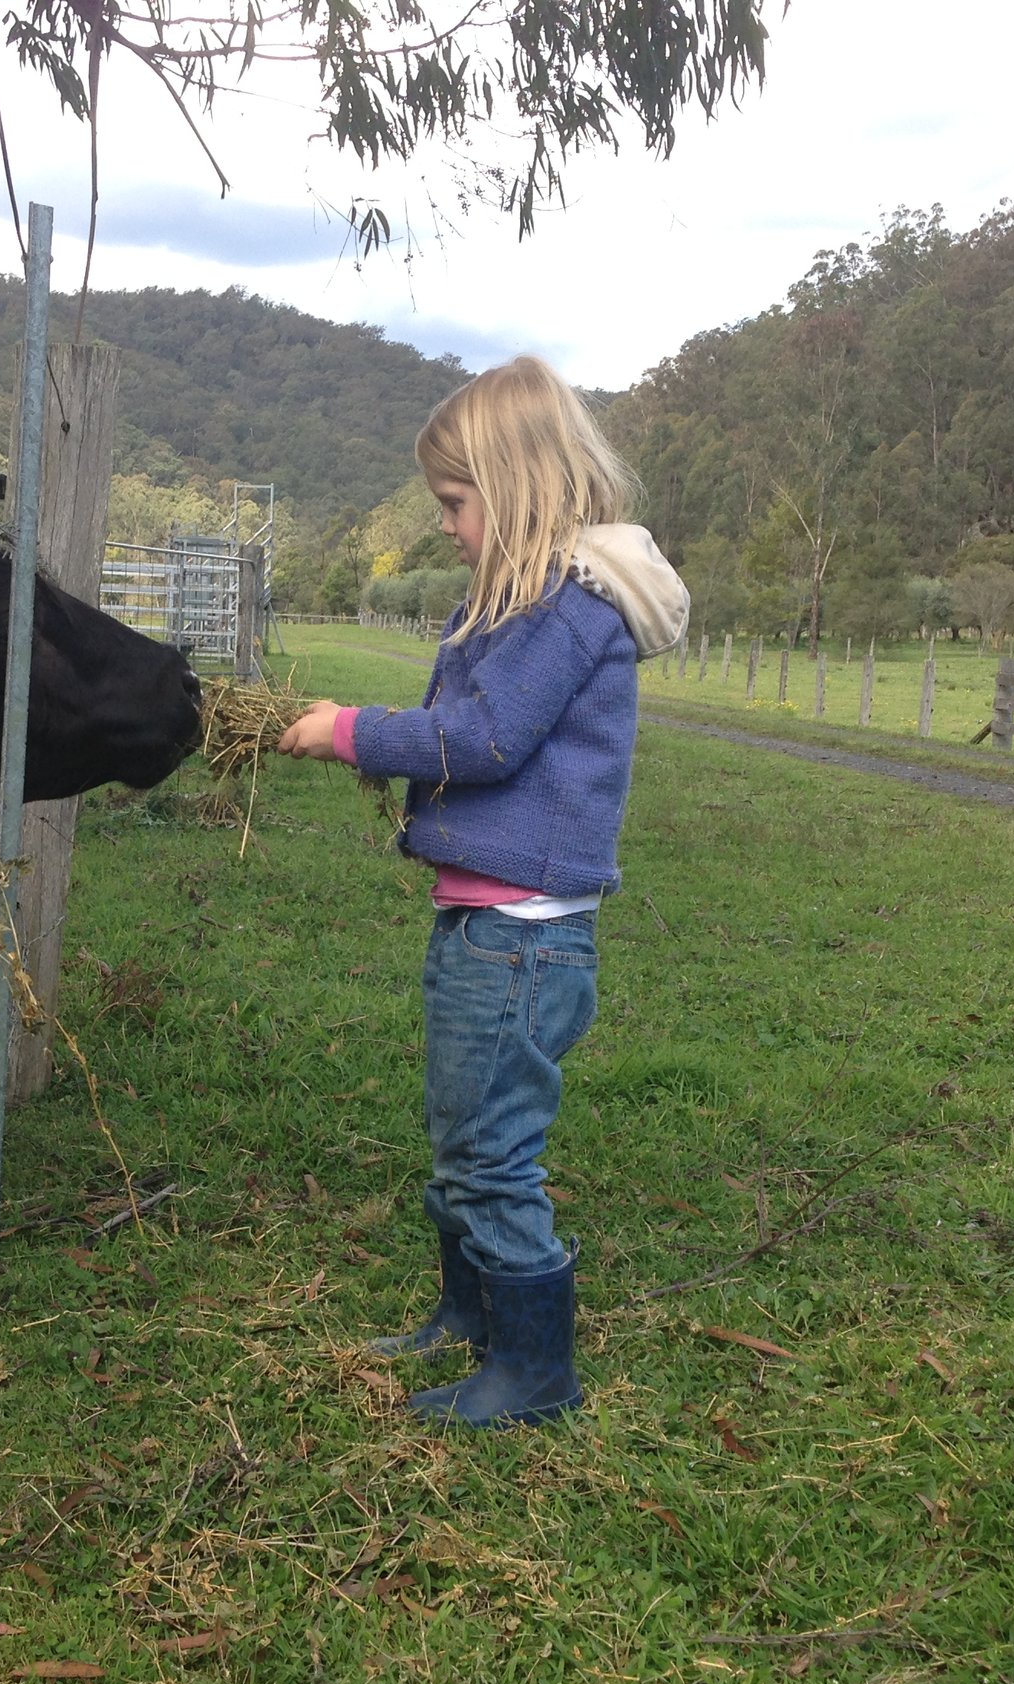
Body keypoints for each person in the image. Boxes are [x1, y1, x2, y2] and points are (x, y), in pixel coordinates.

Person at [275, 357, 687, 1429]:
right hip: (489, 921)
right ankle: (470, 1316)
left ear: (515, 486)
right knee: (464, 1132)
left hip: (519, 935)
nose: (448, 527)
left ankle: (534, 1369)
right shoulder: (520, 602)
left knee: (492, 1150)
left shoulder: (562, 610)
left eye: (455, 504)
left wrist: (348, 733)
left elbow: (487, 739)